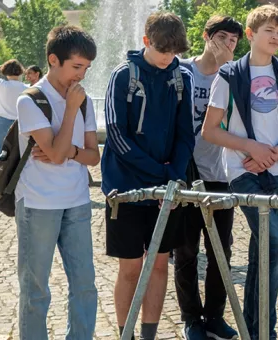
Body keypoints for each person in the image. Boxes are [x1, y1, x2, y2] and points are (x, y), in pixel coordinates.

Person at [200, 5, 278, 339]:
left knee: (263, 252)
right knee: (277, 247)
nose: (275, 37)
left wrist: (270, 152)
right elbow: (210, 130)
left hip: (276, 172)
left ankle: (254, 329)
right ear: (250, 35)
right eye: (268, 31)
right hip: (242, 171)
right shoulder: (229, 75)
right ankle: (266, 332)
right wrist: (251, 148)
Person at [100, 11, 196, 340]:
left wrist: (174, 178)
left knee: (158, 263)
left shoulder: (182, 76)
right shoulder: (122, 75)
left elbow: (187, 135)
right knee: (130, 267)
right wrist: (161, 174)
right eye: (162, 51)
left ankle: (149, 335)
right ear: (145, 42)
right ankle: (125, 335)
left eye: (175, 52)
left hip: (166, 188)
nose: (169, 57)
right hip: (125, 188)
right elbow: (115, 134)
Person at [13, 24, 101, 339]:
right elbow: (57, 153)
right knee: (36, 289)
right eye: (77, 66)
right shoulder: (30, 100)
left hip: (76, 200)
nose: (82, 75)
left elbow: (93, 157)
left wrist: (71, 150)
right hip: (38, 204)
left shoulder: (85, 100)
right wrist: (70, 112)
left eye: (87, 68)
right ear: (53, 60)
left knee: (85, 286)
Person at [173, 14, 242, 340]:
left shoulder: (233, 76)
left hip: (220, 175)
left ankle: (214, 316)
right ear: (206, 35)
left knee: (221, 251)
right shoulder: (182, 69)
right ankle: (191, 319)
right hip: (187, 174)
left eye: (234, 41)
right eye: (223, 37)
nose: (228, 44)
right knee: (186, 250)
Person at [0, 59, 28, 157]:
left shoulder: (1, 84)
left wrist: (0, 66)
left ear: (5, 71)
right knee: (20, 152)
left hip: (4, 121)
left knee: (1, 152)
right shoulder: (26, 88)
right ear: (20, 71)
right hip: (21, 122)